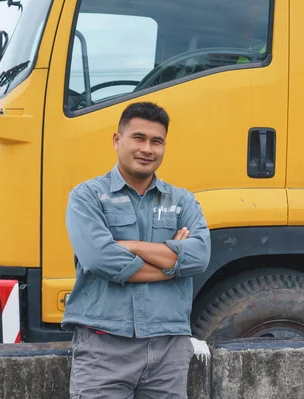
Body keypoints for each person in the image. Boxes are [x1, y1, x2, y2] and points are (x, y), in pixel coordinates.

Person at [62, 101, 211, 399]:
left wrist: (129, 245)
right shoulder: (88, 197)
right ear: (117, 140)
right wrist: (172, 265)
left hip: (169, 349)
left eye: (157, 141)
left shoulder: (182, 201)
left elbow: (199, 256)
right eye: (138, 138)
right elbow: (100, 258)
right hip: (104, 347)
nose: (148, 149)